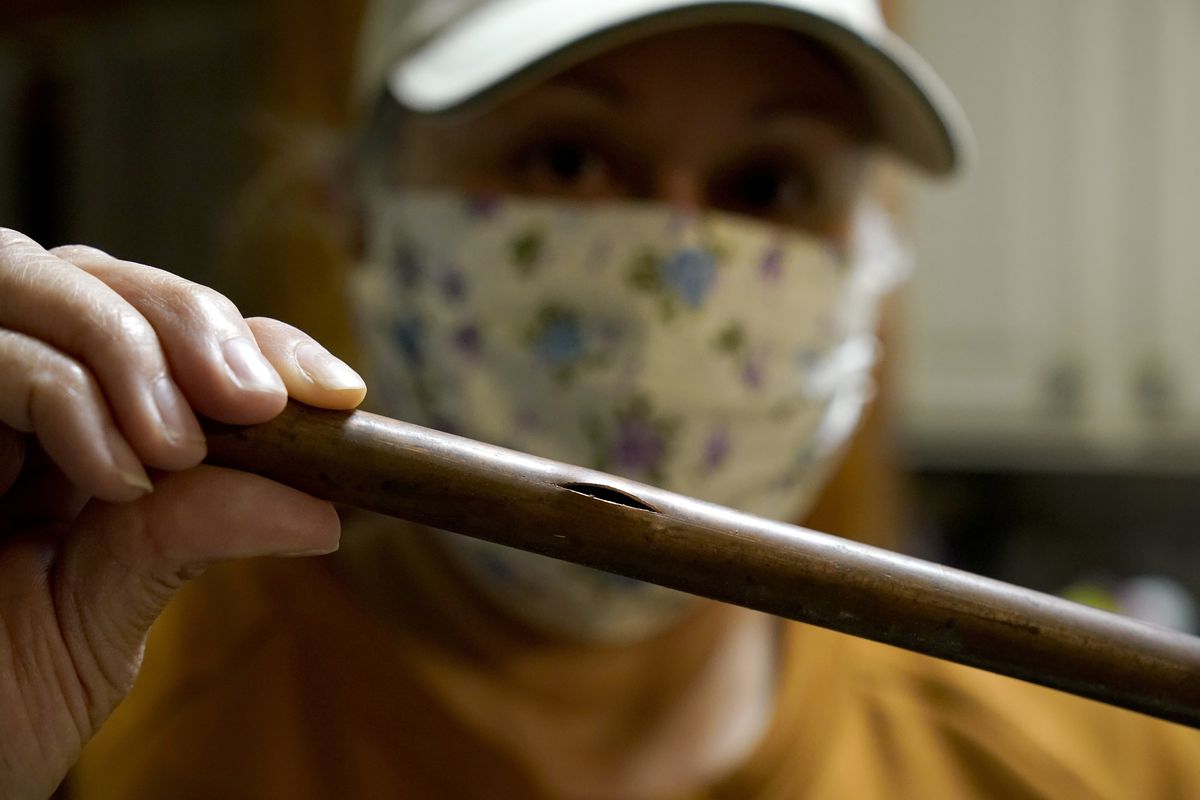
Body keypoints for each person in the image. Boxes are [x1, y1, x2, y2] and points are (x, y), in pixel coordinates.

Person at [0, 1, 1197, 798]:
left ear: (878, 262)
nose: (671, 265)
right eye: (564, 157)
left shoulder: (1122, 764)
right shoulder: (90, 705)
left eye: (769, 180)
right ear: (353, 209)